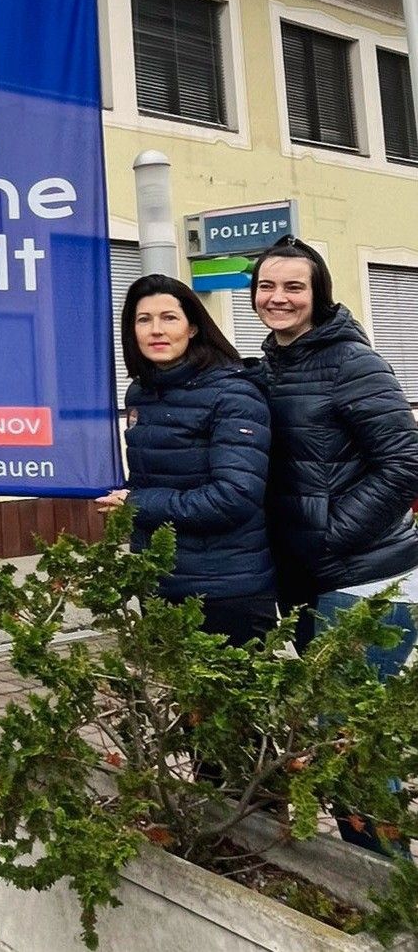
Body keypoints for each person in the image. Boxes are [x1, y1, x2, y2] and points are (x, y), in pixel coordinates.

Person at [251, 234, 418, 851]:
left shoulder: (356, 363)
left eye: (295, 286)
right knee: (337, 741)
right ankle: (378, 881)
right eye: (268, 285)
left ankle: (387, 897)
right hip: (311, 580)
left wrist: (329, 537)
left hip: (368, 577)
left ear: (319, 295)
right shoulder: (266, 366)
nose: (279, 297)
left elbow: (404, 464)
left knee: (350, 749)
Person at [96, 273, 276, 644]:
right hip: (160, 579)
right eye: (143, 319)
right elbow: (153, 478)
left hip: (226, 590)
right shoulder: (142, 392)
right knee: (180, 703)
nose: (156, 330)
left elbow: (234, 497)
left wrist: (136, 504)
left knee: (230, 701)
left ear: (193, 327)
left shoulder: (233, 394)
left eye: (169, 318)